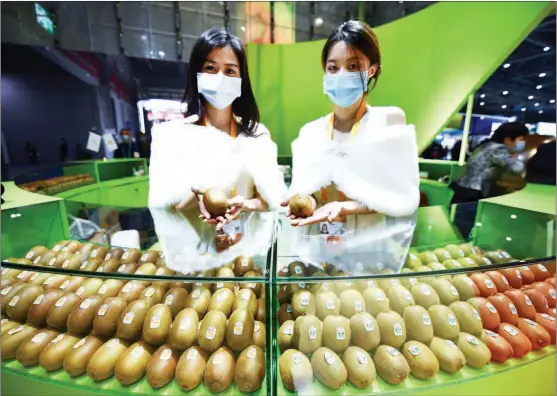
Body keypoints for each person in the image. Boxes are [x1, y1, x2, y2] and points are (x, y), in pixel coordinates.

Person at [148, 27, 286, 258]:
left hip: (250, 254)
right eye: (210, 68)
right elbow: (168, 210)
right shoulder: (173, 137)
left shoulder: (258, 135)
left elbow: (271, 201)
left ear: (241, 79)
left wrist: (246, 204)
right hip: (197, 256)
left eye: (230, 71)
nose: (220, 78)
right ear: (197, 74)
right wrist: (197, 196)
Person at [283, 20, 420, 229]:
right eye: (333, 67)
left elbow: (403, 198)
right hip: (319, 249)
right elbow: (306, 193)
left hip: (367, 249)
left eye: (353, 66)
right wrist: (305, 203)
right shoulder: (310, 132)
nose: (341, 74)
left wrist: (346, 207)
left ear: (371, 71)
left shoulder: (389, 121)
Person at [450, 122, 528, 203]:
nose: (524, 143)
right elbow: (517, 168)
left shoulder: (485, 146)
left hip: (463, 191)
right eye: (521, 140)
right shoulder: (498, 149)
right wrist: (515, 156)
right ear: (507, 140)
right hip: (472, 195)